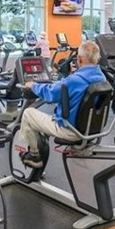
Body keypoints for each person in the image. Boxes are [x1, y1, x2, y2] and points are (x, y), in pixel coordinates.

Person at [18, 40, 107, 169]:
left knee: (28, 113)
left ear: (79, 59)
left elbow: (50, 93)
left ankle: (34, 155)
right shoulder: (102, 78)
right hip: (91, 129)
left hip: (70, 131)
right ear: (97, 59)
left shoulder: (73, 80)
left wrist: (33, 85)